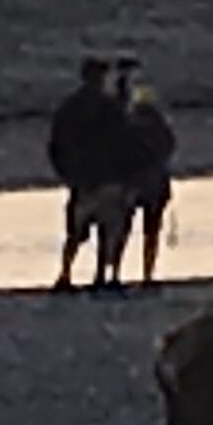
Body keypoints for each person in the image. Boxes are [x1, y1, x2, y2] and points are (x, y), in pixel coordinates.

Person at [46, 51, 133, 295]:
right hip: (106, 177)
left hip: (82, 180)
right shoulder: (108, 108)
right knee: (109, 230)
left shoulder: (69, 108)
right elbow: (124, 138)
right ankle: (103, 276)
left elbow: (56, 144)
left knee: (75, 233)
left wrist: (67, 174)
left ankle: (66, 275)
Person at [120, 69, 180, 289]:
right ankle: (147, 274)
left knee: (123, 228)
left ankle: (115, 272)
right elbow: (169, 149)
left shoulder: (129, 128)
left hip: (133, 183)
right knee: (151, 231)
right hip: (155, 184)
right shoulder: (162, 129)